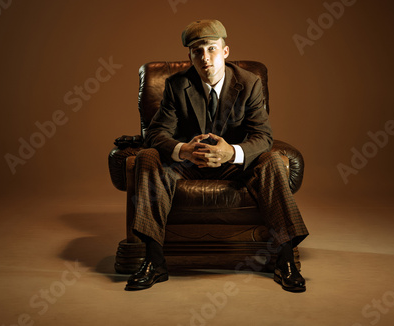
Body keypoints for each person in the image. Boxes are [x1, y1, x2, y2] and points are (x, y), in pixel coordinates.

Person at [125, 19, 309, 292]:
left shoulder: (249, 83)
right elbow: (156, 134)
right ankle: (154, 261)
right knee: (148, 157)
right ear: (190, 56)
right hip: (188, 164)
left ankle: (285, 260)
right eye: (197, 51)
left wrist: (231, 152)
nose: (205, 58)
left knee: (271, 159)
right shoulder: (176, 85)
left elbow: (263, 137)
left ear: (225, 51)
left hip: (234, 166)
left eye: (211, 49)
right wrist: (183, 149)